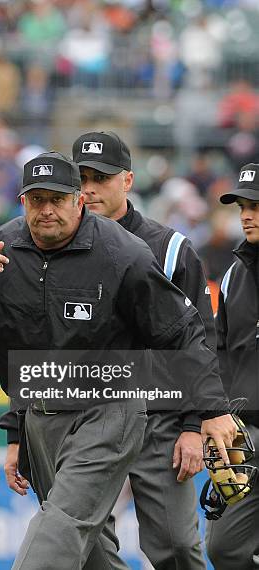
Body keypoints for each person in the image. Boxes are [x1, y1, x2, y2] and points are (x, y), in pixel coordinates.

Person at [0, 151, 236, 569]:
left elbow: (182, 330)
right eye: (36, 199)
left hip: (109, 408)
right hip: (41, 415)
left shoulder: (122, 253)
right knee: (91, 553)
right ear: (22, 202)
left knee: (63, 525)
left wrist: (209, 411)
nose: (46, 210)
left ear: (78, 201)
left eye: (56, 199)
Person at [73, 130, 214, 570]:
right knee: (82, 546)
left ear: (128, 180)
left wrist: (194, 424)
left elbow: (202, 342)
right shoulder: (59, 248)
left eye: (102, 177)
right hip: (89, 421)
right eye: (83, 178)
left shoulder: (171, 249)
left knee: (175, 549)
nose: (91, 188)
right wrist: (19, 430)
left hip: (161, 421)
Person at [206, 163, 259, 570]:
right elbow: (218, 355)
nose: (246, 214)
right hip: (247, 438)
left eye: (256, 205)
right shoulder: (232, 277)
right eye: (242, 205)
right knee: (225, 548)